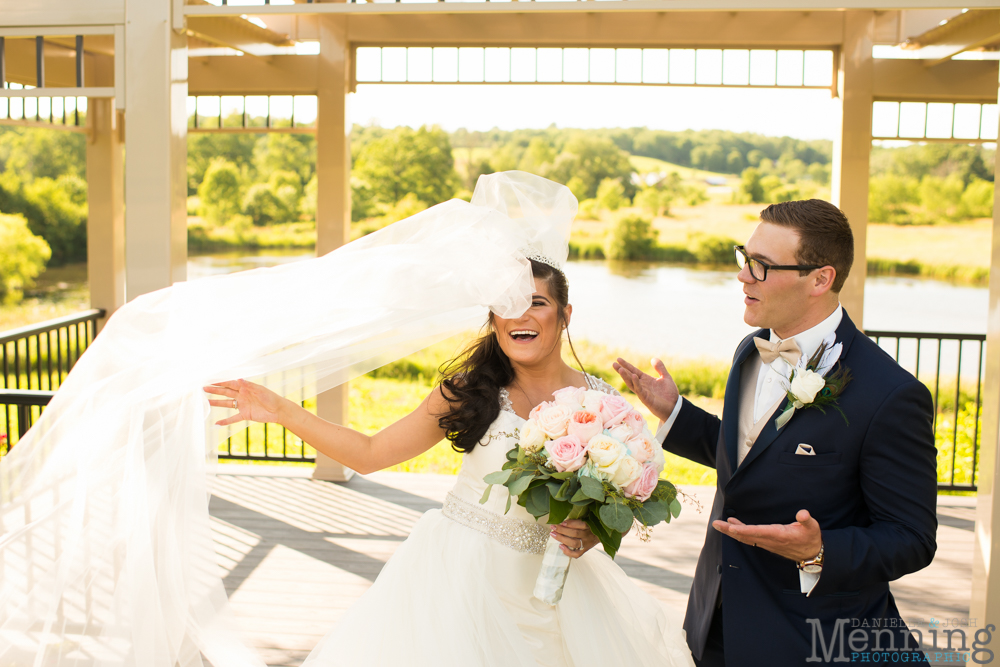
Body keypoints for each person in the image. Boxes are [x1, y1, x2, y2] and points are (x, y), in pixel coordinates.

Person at [205, 256, 695, 667]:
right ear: (493, 319)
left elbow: (620, 498)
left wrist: (592, 532)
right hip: (460, 579)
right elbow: (370, 454)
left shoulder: (605, 405)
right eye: (506, 305)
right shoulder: (469, 392)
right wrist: (283, 411)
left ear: (565, 314)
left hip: (557, 591)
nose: (519, 314)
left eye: (536, 302)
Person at [612, 200, 937, 666]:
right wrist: (678, 413)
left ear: (820, 279)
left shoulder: (891, 395)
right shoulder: (750, 350)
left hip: (813, 641)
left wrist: (820, 549)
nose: (743, 276)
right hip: (715, 619)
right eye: (745, 258)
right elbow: (757, 460)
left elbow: (911, 538)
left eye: (761, 266)